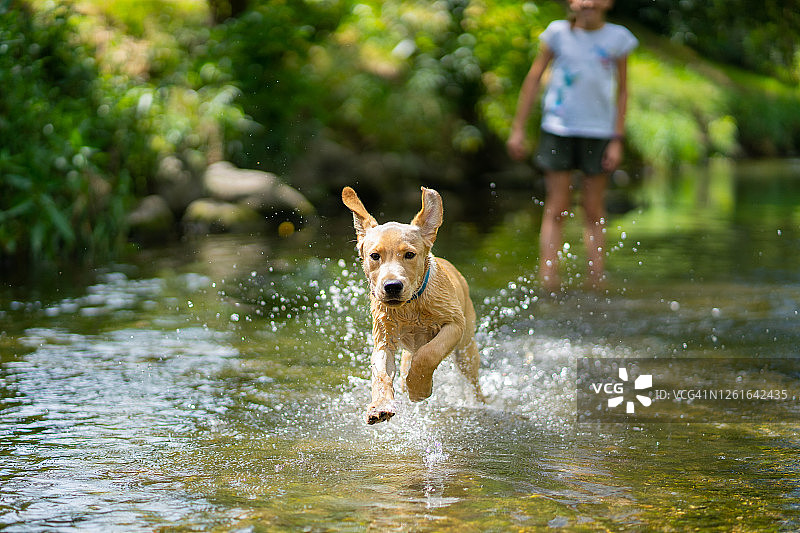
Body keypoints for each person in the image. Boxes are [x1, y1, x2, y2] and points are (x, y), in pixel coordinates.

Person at [507, 0, 637, 293]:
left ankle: (596, 278)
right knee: (557, 206)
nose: (588, 3)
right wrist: (518, 128)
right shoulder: (557, 33)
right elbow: (533, 79)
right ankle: (549, 278)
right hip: (558, 128)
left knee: (593, 208)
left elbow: (624, 91)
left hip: (599, 132)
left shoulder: (619, 38)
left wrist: (617, 139)